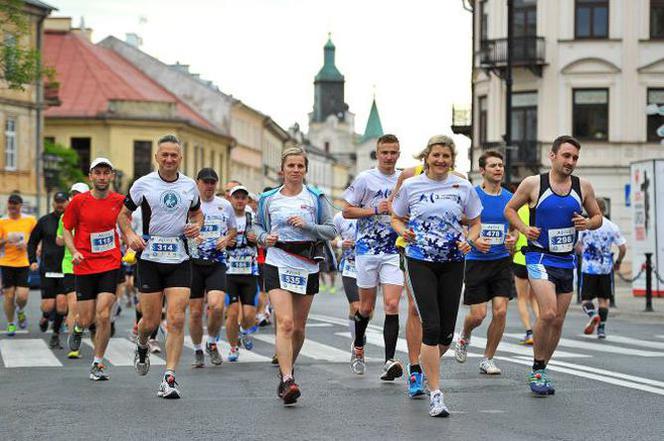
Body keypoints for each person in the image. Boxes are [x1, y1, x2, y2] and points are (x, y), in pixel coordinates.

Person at [391, 135, 483, 417]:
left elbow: (476, 221)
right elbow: (395, 216)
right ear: (426, 157)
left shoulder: (463, 186)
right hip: (420, 260)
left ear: (451, 159)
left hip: (454, 262)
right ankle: (436, 393)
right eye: (436, 155)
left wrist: (471, 238)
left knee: (444, 332)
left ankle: (417, 367)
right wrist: (401, 231)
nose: (441, 160)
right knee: (430, 327)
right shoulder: (411, 185)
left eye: (446, 156)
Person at [505, 135, 602, 396]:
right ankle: (537, 368)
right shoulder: (534, 183)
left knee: (558, 321)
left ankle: (543, 368)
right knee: (547, 313)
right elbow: (510, 210)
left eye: (575, 158)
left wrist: (587, 223)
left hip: (566, 260)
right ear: (553, 156)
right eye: (566, 156)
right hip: (538, 256)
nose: (571, 161)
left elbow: (597, 217)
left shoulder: (583, 186)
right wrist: (525, 229)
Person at [119, 134, 203, 399]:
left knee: (177, 319)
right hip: (150, 257)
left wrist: (197, 225)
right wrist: (130, 235)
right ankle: (143, 343)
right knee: (151, 321)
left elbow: (198, 212)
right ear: (157, 157)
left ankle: (169, 378)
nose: (169, 159)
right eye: (164, 155)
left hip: (179, 256)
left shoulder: (189, 186)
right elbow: (123, 215)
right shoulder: (143, 184)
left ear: (180, 158)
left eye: (174, 155)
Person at [252, 147, 337, 405]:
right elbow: (255, 227)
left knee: (299, 328)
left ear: (305, 170)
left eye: (300, 166)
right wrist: (264, 237)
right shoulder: (269, 198)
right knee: (285, 323)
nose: (296, 170)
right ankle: (288, 379)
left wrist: (307, 225)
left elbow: (331, 231)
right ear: (283, 169)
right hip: (277, 261)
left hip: (306, 264)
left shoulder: (316, 198)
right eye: (291, 166)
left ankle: (287, 369)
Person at [343, 134, 404, 381]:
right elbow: (346, 211)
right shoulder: (365, 179)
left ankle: (389, 360)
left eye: (393, 152)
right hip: (367, 250)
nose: (389, 157)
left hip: (393, 250)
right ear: (377, 154)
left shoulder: (405, 179)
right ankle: (359, 347)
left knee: (391, 305)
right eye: (384, 152)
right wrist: (375, 209)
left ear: (399, 154)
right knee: (365, 308)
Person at [62, 158, 125, 381]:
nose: (101, 177)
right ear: (90, 176)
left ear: (112, 176)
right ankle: (78, 329)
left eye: (105, 173)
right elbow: (67, 229)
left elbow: (128, 224)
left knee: (104, 314)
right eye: (97, 173)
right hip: (85, 265)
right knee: (86, 318)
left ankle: (98, 363)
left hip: (110, 263)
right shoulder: (78, 202)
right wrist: (74, 251)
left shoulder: (120, 201)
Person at [454, 151, 516, 375]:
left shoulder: (510, 197)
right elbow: (459, 223)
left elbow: (514, 227)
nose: (498, 169)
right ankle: (465, 334)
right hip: (476, 261)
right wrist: (474, 241)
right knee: (479, 315)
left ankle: (488, 358)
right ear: (482, 170)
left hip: (500, 261)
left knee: (500, 312)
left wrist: (513, 239)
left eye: (500, 165)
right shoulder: (473, 195)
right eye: (493, 165)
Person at [189, 167, 236, 368]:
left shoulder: (225, 205)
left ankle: (212, 342)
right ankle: (198, 349)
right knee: (196, 312)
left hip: (216, 261)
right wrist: (191, 236)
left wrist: (226, 239)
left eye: (212, 183)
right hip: (193, 262)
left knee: (217, 306)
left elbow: (233, 229)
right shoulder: (189, 205)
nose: (209, 186)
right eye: (205, 182)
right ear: (197, 183)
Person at [576, 198, 626, 339]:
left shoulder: (585, 225)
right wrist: (618, 262)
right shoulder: (612, 226)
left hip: (588, 268)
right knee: (604, 300)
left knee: (586, 300)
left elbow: (577, 245)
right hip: (605, 268)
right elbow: (622, 248)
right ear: (605, 209)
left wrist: (583, 251)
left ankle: (593, 315)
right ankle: (602, 329)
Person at [28, 191, 69, 348]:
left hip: (65, 268)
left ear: (67, 202)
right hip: (48, 268)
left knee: (61, 305)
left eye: (63, 201)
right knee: (48, 305)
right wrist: (32, 260)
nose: (60, 204)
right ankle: (45, 316)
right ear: (53, 203)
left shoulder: (72, 220)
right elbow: (32, 242)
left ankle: (55, 334)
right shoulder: (44, 221)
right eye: (57, 201)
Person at [225, 185, 260, 362]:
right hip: (229, 272)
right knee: (231, 313)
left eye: (243, 198)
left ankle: (245, 331)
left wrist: (258, 239)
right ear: (230, 199)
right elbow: (214, 238)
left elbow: (265, 237)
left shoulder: (253, 217)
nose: (239, 201)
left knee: (248, 315)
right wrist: (224, 242)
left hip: (249, 272)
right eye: (236, 197)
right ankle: (233, 347)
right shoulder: (225, 216)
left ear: (247, 200)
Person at [56, 182, 89, 359]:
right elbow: (59, 239)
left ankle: (80, 327)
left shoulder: (92, 214)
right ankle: (73, 344)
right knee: (73, 305)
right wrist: (65, 238)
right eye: (72, 194)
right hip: (70, 265)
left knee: (90, 310)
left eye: (78, 194)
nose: (74, 198)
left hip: (91, 265)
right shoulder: (65, 217)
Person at [0, 194, 37, 336]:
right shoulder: (2, 221)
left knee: (22, 297)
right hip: (6, 263)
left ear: (20, 206)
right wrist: (6, 239)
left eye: (15, 207)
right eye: (10, 207)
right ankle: (10, 323)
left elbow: (36, 238)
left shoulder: (30, 220)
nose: (12, 210)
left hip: (23, 263)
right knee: (9, 296)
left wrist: (28, 245)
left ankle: (20, 311)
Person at [512, 203, 539, 345]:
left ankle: (529, 332)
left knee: (522, 298)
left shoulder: (518, 210)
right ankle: (541, 330)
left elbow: (515, 236)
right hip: (536, 259)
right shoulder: (540, 208)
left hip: (520, 258)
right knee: (534, 298)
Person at [331, 211, 358, 342]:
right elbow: (327, 238)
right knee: (355, 306)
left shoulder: (371, 212)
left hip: (370, 266)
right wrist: (340, 244)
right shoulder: (340, 217)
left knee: (367, 311)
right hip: (350, 265)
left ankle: (360, 330)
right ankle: (357, 342)